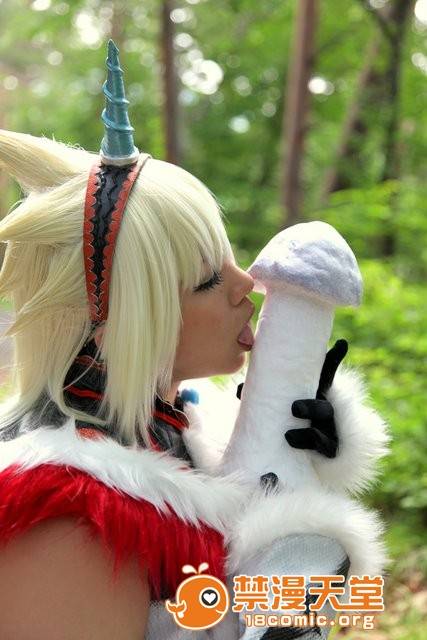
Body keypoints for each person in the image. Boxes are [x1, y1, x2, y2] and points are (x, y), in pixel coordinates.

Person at [0, 41, 390, 640]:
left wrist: (298, 465)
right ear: (126, 317)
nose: (247, 284)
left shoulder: (182, 427)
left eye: (230, 259)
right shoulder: (71, 511)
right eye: (209, 278)